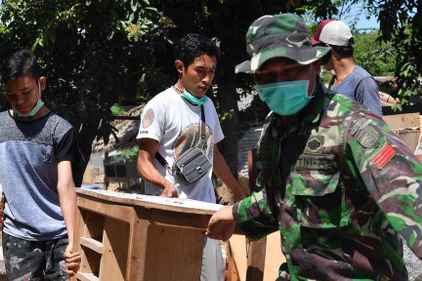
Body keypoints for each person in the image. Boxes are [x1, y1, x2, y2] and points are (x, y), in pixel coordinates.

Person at [206, 13, 422, 280]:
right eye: (267, 74)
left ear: (315, 66)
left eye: (291, 69)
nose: (280, 82)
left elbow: (414, 197)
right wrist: (235, 212)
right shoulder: (274, 132)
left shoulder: (354, 128)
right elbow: (281, 200)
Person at [136, 33, 246, 281]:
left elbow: (214, 154)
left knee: (213, 277)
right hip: (170, 217)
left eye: (212, 71)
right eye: (200, 71)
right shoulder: (160, 105)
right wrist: (164, 184)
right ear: (180, 67)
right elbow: (143, 160)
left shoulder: (208, 105)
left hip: (207, 215)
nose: (207, 79)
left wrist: (239, 194)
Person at [0, 50, 81, 280]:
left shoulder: (60, 130)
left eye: (26, 92)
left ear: (41, 83)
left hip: (59, 235)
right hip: (18, 236)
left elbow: (66, 185)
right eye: (12, 95)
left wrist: (73, 240)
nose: (20, 101)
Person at [311, 19, 383, 117]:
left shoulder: (362, 81)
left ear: (328, 49)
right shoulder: (335, 79)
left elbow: (376, 126)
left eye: (319, 49)